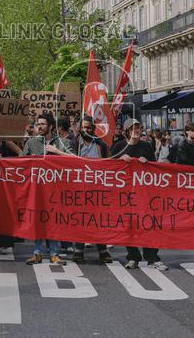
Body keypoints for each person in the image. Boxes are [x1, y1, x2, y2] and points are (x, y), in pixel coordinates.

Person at [115, 119, 168, 270]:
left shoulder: (146, 146)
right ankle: (133, 257)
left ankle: (152, 258)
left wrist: (147, 163)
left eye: (138, 128)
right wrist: (119, 159)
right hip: (125, 195)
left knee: (148, 225)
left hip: (144, 194)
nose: (136, 131)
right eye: (132, 128)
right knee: (129, 227)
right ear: (126, 131)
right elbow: (108, 166)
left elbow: (155, 168)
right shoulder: (119, 147)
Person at [22, 112, 71, 265]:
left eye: (43, 124)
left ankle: (54, 253)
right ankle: (37, 253)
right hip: (37, 190)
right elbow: (22, 163)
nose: (39, 127)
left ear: (51, 126)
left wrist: (56, 151)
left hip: (57, 189)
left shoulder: (62, 142)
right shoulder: (31, 143)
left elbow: (75, 159)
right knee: (38, 219)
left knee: (54, 220)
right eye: (38, 124)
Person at [71, 115, 113, 264]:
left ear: (93, 128)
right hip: (79, 189)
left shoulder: (101, 145)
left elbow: (110, 163)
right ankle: (78, 251)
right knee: (80, 219)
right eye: (83, 127)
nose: (86, 130)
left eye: (88, 127)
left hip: (98, 189)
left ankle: (103, 251)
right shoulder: (74, 143)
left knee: (98, 221)